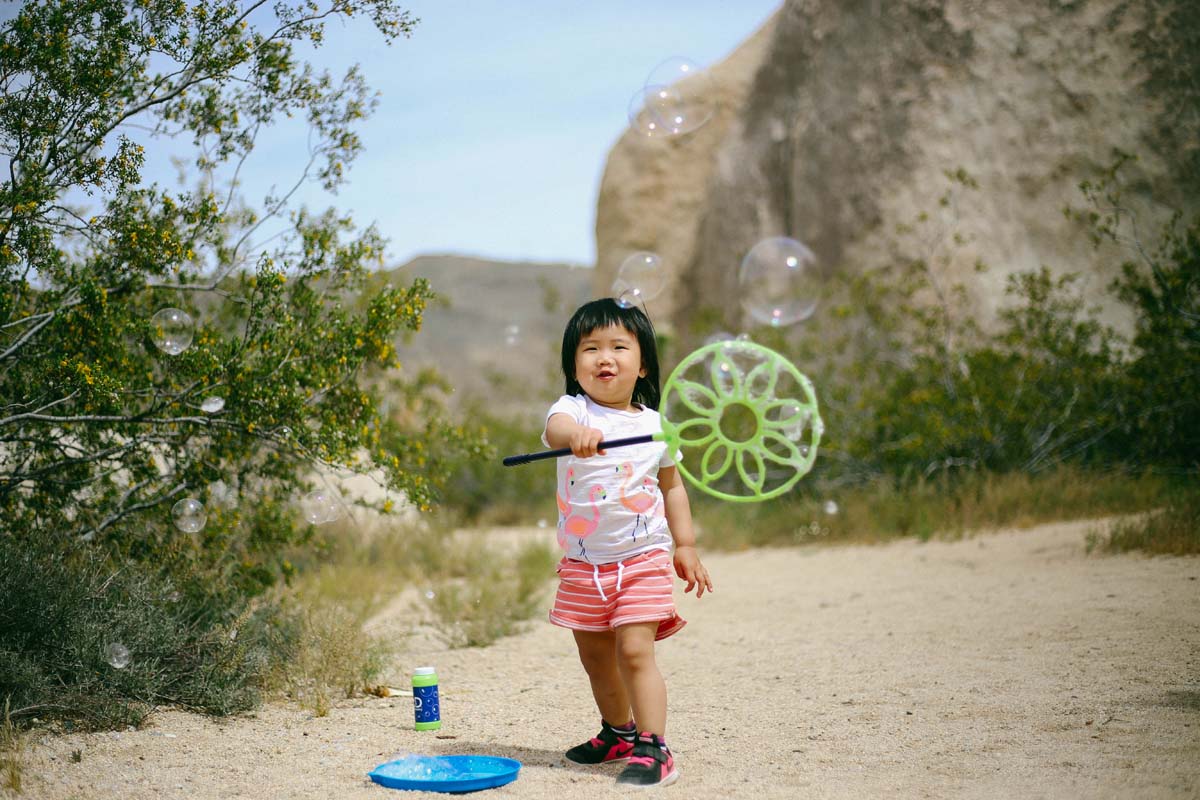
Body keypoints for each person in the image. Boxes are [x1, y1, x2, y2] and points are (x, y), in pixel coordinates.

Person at [541, 297, 713, 788]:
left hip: (642, 557)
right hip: (583, 562)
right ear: (574, 365)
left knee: (634, 652)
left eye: (619, 346)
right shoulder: (571, 409)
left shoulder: (656, 425)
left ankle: (654, 747)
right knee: (594, 656)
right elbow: (556, 430)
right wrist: (577, 434)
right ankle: (618, 732)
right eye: (590, 348)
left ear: (642, 366)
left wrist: (685, 544)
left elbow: (672, 486)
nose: (604, 357)